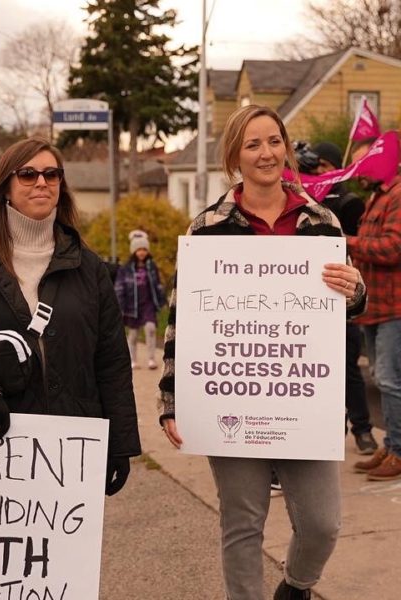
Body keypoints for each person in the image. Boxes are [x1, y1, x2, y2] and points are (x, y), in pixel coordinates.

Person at [158, 105, 366, 600]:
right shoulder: (207, 227)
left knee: (322, 523)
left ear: (287, 148)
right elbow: (181, 319)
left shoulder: (322, 222)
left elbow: (347, 308)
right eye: (252, 144)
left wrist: (354, 291)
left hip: (303, 397)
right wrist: (171, 399)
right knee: (243, 524)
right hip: (233, 397)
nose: (266, 153)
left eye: (274, 141)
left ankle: (295, 587)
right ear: (235, 155)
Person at [0, 137, 141, 498]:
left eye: (51, 174)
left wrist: (120, 441)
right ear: (5, 185)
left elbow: (112, 360)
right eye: (28, 174)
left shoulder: (89, 268)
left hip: (69, 449)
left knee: (66, 555)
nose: (41, 182)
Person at [298, 141, 378, 455]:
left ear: (335, 168)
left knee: (348, 369)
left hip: (340, 297)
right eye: (311, 168)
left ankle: (362, 430)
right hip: (304, 303)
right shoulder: (299, 199)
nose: (317, 174)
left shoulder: (349, 202)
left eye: (322, 168)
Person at [347, 136, 401, 481]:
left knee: (390, 380)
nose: (358, 173)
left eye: (362, 165)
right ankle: (392, 443)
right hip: (374, 307)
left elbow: (393, 248)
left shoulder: (397, 195)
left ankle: (398, 452)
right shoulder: (377, 196)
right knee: (385, 380)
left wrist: (346, 241)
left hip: (395, 307)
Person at [114, 229, 166, 370]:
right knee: (133, 334)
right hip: (132, 306)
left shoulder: (151, 266)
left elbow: (158, 285)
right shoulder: (126, 268)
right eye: (139, 249)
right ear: (134, 251)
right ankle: (133, 359)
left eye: (144, 249)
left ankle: (151, 359)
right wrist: (120, 305)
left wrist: (161, 301)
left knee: (150, 329)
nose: (142, 252)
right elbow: (119, 287)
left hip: (148, 303)